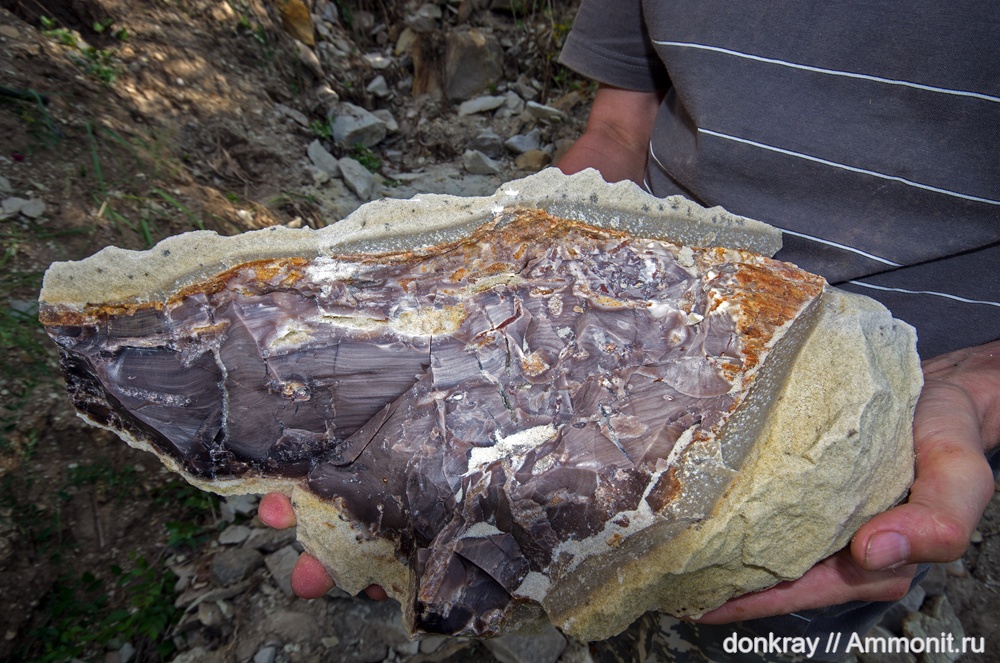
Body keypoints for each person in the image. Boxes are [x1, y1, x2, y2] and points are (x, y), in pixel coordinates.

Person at [261, 0, 999, 656]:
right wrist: (532, 252)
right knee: (566, 589)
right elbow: (618, 127)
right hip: (632, 307)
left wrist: (980, 380)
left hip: (898, 410)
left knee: (772, 626)